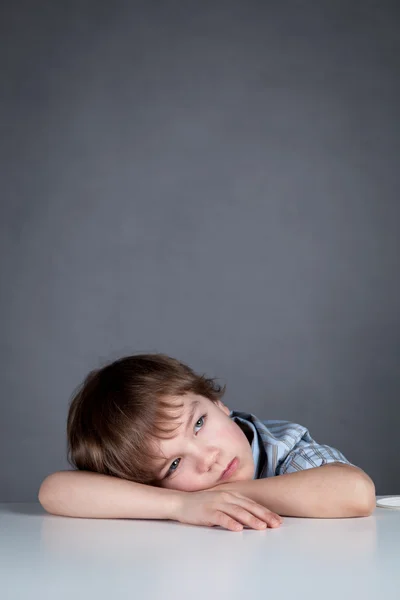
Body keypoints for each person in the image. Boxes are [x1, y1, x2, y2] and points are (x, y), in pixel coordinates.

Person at [38, 353, 376, 531]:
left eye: (199, 423)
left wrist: (215, 496)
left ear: (217, 403)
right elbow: (54, 491)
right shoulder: (175, 496)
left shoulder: (282, 447)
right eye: (173, 464)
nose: (208, 458)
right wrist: (179, 506)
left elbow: (356, 493)